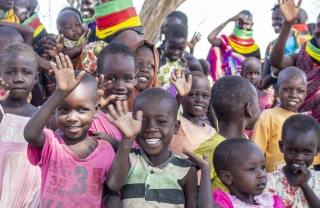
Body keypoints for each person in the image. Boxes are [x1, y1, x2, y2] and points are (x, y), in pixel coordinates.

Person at [24, 54, 115, 207]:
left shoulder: (106, 150)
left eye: (82, 109)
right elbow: (30, 134)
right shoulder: (52, 144)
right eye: (64, 109)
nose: (72, 117)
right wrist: (59, 93)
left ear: (96, 110)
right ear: (55, 110)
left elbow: (111, 191)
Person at [106, 88, 198, 207]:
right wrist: (127, 138)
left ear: (175, 127)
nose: (151, 128)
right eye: (143, 122)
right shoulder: (129, 159)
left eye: (161, 121)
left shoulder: (186, 169)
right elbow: (113, 184)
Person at [194, 76, 260, 193]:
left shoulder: (245, 141)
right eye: (258, 105)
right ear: (249, 109)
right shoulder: (212, 147)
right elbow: (186, 179)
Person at [185, 139, 284, 208]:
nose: (261, 174)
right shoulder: (228, 204)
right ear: (227, 177)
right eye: (252, 169)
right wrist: (205, 169)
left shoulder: (272, 202)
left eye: (263, 167)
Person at [0, 43, 41, 208]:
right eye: (10, 72)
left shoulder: (41, 115)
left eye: (26, 72)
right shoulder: (1, 110)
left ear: (36, 78)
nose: (18, 78)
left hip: (30, 196)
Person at [252, 66, 307, 173]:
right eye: (287, 89)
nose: (293, 95)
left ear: (305, 93)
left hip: (300, 183)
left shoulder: (306, 122)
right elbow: (257, 154)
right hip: (272, 184)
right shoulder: (268, 116)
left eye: (300, 91)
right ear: (277, 91)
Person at [90, 42, 138, 147]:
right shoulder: (89, 119)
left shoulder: (136, 123)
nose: (120, 86)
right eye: (112, 78)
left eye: (127, 78)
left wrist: (116, 144)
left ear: (136, 78)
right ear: (97, 77)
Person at [266, 114, 320, 207]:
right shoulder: (270, 181)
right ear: (281, 146)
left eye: (307, 152)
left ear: (317, 151)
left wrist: (304, 185)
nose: (299, 157)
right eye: (291, 150)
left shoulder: (318, 180)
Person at [262, 4, 310, 90]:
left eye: (278, 18)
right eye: (273, 19)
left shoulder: (306, 43)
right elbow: (264, 84)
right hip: (278, 97)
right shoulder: (271, 46)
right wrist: (281, 69)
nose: (274, 23)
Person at [169, 71, 216, 157]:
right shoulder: (176, 122)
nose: (200, 99)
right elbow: (168, 114)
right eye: (193, 94)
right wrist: (180, 96)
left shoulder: (212, 132)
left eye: (205, 96)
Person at [207, 10, 260, 81]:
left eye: (247, 24)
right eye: (241, 23)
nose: (244, 27)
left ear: (252, 24)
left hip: (246, 86)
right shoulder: (226, 42)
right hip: (226, 84)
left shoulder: (255, 49)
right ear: (235, 22)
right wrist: (228, 20)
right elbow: (211, 38)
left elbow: (257, 70)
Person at [241, 57, 272, 139]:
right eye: (249, 73)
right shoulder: (238, 96)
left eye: (257, 73)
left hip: (260, 137)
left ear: (261, 75)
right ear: (242, 74)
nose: (253, 76)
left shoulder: (266, 97)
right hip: (242, 137)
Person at [157, 23, 188, 97]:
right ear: (164, 43)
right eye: (172, 47)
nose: (176, 52)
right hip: (157, 103)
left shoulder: (181, 63)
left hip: (175, 105)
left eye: (180, 49)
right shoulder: (158, 59)